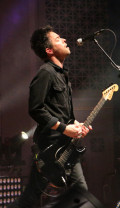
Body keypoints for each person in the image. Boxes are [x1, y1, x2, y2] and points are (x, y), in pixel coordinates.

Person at [8, 25, 92, 207]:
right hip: (50, 148)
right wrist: (64, 128)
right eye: (58, 39)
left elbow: (62, 114)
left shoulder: (63, 75)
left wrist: (76, 125)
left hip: (66, 146)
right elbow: (36, 109)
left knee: (81, 192)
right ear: (49, 49)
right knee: (30, 197)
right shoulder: (46, 73)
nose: (64, 40)